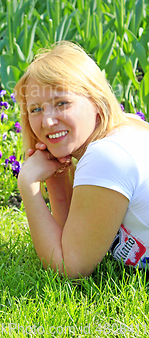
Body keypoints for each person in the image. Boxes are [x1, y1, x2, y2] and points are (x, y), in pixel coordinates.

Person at [14, 41, 149, 278]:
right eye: (35, 110)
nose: (47, 122)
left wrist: (28, 185)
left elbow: (69, 269)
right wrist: (56, 177)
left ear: (95, 102)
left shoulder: (106, 156)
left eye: (62, 104)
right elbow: (72, 239)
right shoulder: (126, 128)